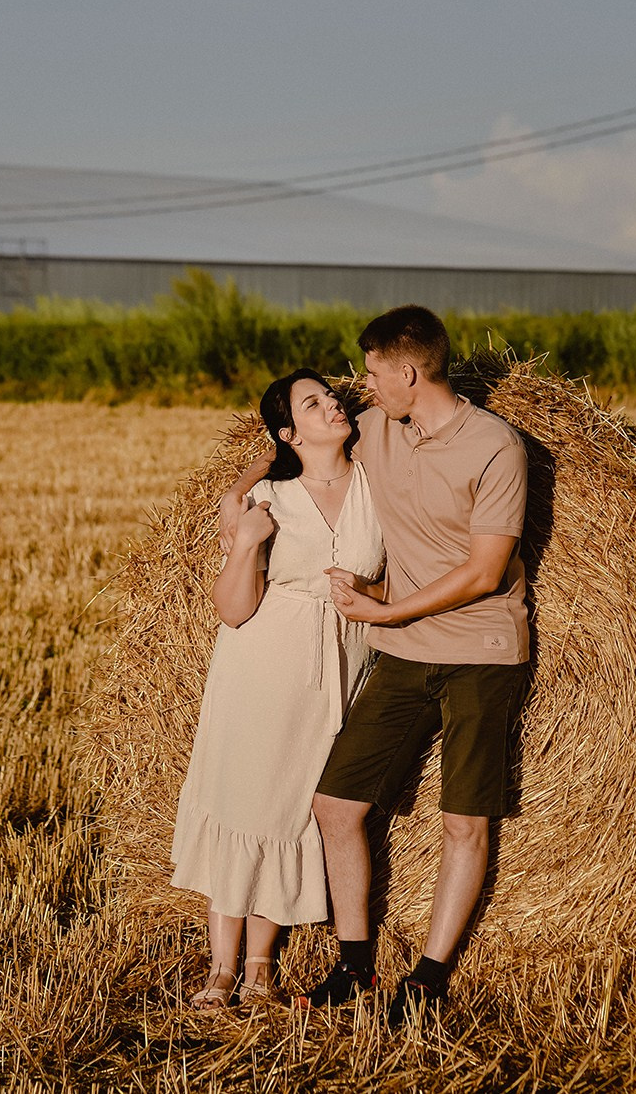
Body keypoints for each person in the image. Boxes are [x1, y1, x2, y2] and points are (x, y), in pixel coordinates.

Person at [221, 306, 529, 1028]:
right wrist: (244, 489)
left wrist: (384, 610)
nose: (357, 387)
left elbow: (485, 571)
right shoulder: (378, 430)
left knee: (462, 821)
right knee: (335, 806)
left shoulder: (496, 447)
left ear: (406, 372)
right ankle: (354, 966)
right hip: (403, 652)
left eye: (369, 372)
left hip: (480, 650)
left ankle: (425, 978)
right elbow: (291, 442)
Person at [170, 368, 384, 1010]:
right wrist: (243, 545)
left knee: (293, 810)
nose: (333, 406)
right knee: (245, 802)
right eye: (312, 404)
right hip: (263, 662)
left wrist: (369, 592)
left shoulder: (380, 486)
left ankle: (261, 965)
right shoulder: (269, 497)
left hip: (342, 664)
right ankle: (221, 967)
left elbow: (406, 577)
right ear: (289, 433)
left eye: (333, 397)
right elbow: (233, 611)